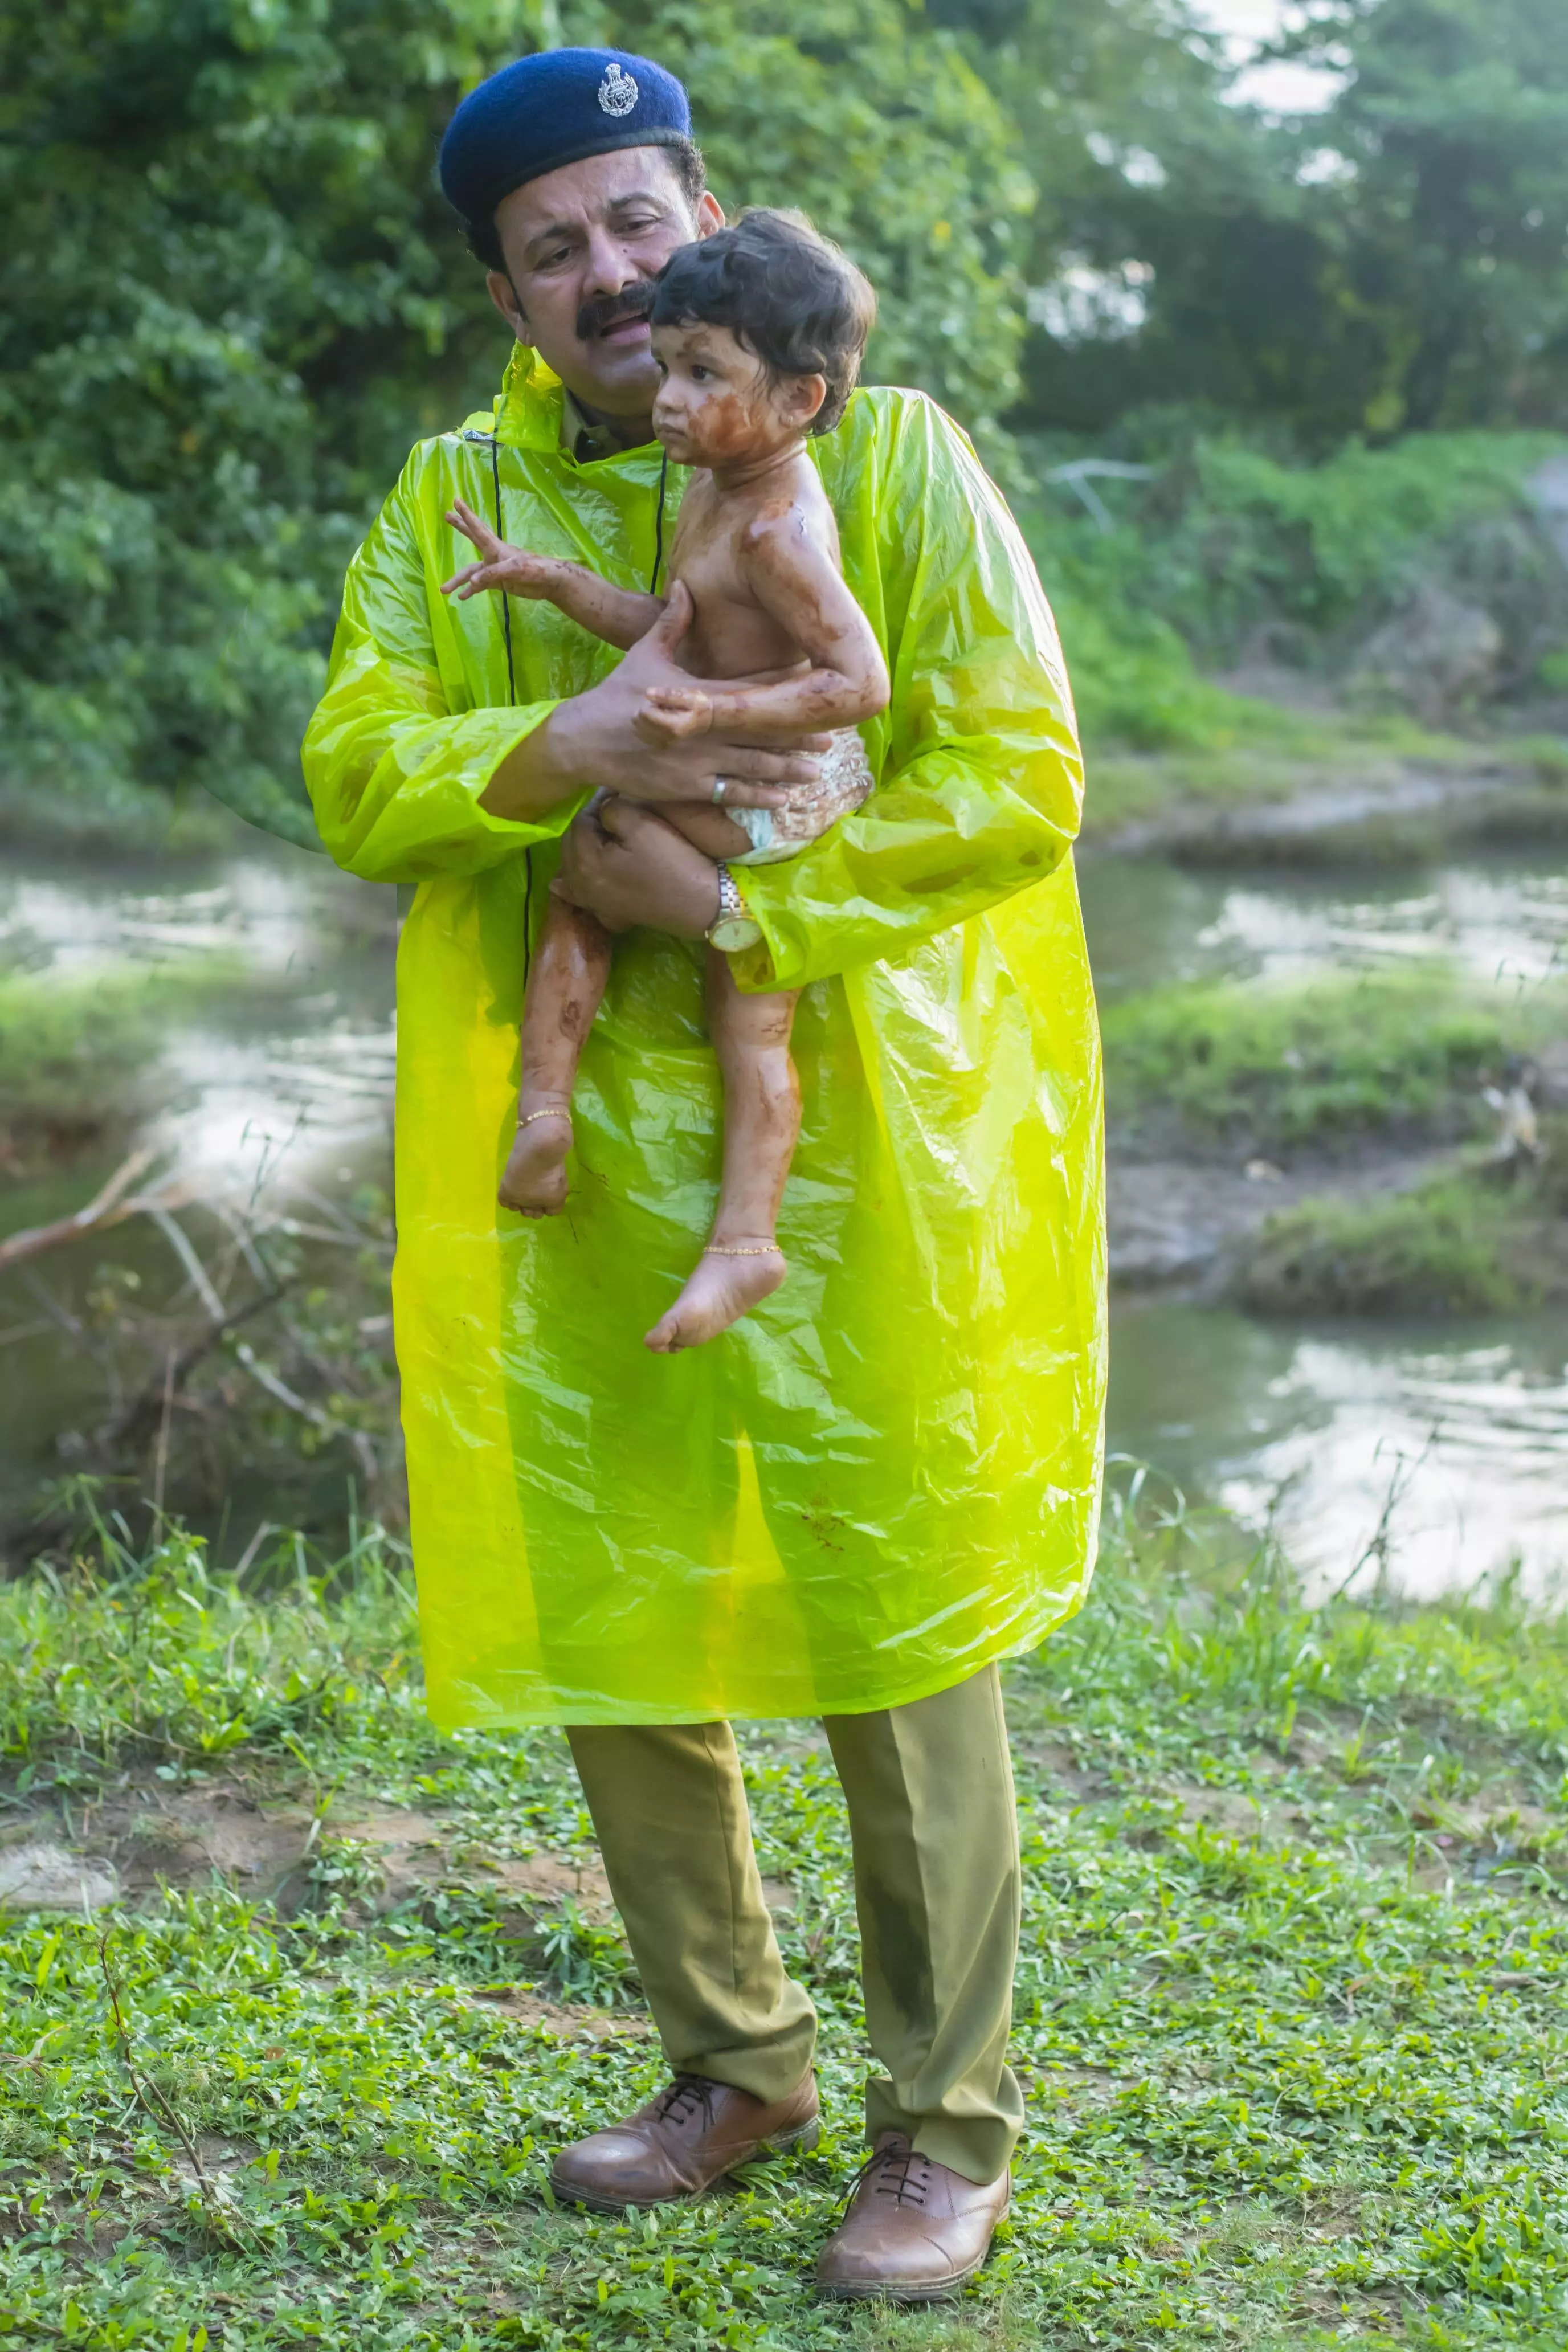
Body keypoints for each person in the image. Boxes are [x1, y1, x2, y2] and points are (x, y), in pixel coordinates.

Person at [301, 44, 1105, 2303]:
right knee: (625, 1614)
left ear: (701, 216)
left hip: (841, 1126)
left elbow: (1020, 772)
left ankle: (944, 2131)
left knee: (894, 1611)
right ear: (504, 288)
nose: (609, 275)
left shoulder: (890, 454)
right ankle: (730, 2064)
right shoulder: (447, 497)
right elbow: (362, 768)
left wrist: (754, 913)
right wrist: (543, 746)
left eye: (634, 221)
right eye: (553, 247)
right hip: (569, 1152)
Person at [439, 209, 888, 1353]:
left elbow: (858, 681)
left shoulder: (775, 529)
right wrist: (548, 579)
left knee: (608, 889)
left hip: (772, 788)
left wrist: (716, 712)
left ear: (797, 401)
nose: (668, 399)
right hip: (734, 767)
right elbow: (673, 626)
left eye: (701, 374)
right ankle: (690, 1209)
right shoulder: (718, 489)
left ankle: (599, 1146)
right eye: (666, 366)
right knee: (715, 994)